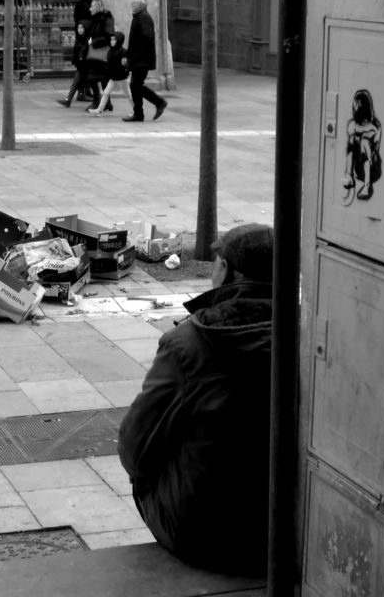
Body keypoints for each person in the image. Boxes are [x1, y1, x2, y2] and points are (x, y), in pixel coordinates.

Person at [118, 223, 274, 574]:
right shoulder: (309, 334)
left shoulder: (190, 344)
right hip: (282, 529)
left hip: (204, 535)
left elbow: (133, 447)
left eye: (217, 262)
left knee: (146, 461)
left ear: (228, 272)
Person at [122, 0, 167, 122]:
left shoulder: (143, 18)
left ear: (141, 6)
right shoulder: (140, 17)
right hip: (140, 59)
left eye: (134, 4)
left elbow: (146, 39)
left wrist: (135, 56)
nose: (132, 5)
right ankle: (139, 113)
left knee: (136, 85)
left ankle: (158, 103)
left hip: (142, 59)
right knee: (136, 85)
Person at [342, 88, 382, 200]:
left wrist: (361, 135)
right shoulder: (353, 124)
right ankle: (348, 175)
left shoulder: (375, 126)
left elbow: (373, 140)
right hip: (358, 169)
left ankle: (367, 186)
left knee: (364, 141)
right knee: (352, 141)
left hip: (372, 167)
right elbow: (351, 134)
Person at [87, 31, 134, 116]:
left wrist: (124, 65)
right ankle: (99, 110)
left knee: (129, 95)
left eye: (114, 39)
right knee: (105, 92)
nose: (112, 41)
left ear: (119, 41)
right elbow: (109, 63)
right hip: (113, 78)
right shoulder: (110, 51)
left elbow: (125, 64)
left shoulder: (123, 51)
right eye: (111, 39)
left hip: (121, 78)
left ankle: (136, 109)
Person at [84, 0, 115, 111]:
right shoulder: (95, 19)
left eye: (92, 6)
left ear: (97, 7)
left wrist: (94, 42)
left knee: (94, 78)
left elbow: (109, 36)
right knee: (102, 79)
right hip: (95, 53)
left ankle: (97, 101)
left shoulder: (106, 18)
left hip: (102, 54)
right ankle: (106, 103)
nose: (90, 9)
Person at [57, 22, 89, 108]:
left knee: (76, 83)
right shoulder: (79, 38)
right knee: (79, 82)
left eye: (81, 28)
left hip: (85, 65)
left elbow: (84, 51)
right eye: (78, 28)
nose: (79, 30)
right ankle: (71, 99)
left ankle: (69, 100)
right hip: (81, 65)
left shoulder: (87, 39)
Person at [73, 0, 96, 100]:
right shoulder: (87, 7)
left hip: (82, 40)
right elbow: (87, 24)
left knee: (84, 68)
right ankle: (82, 92)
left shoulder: (80, 5)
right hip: (85, 41)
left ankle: (85, 91)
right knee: (84, 68)